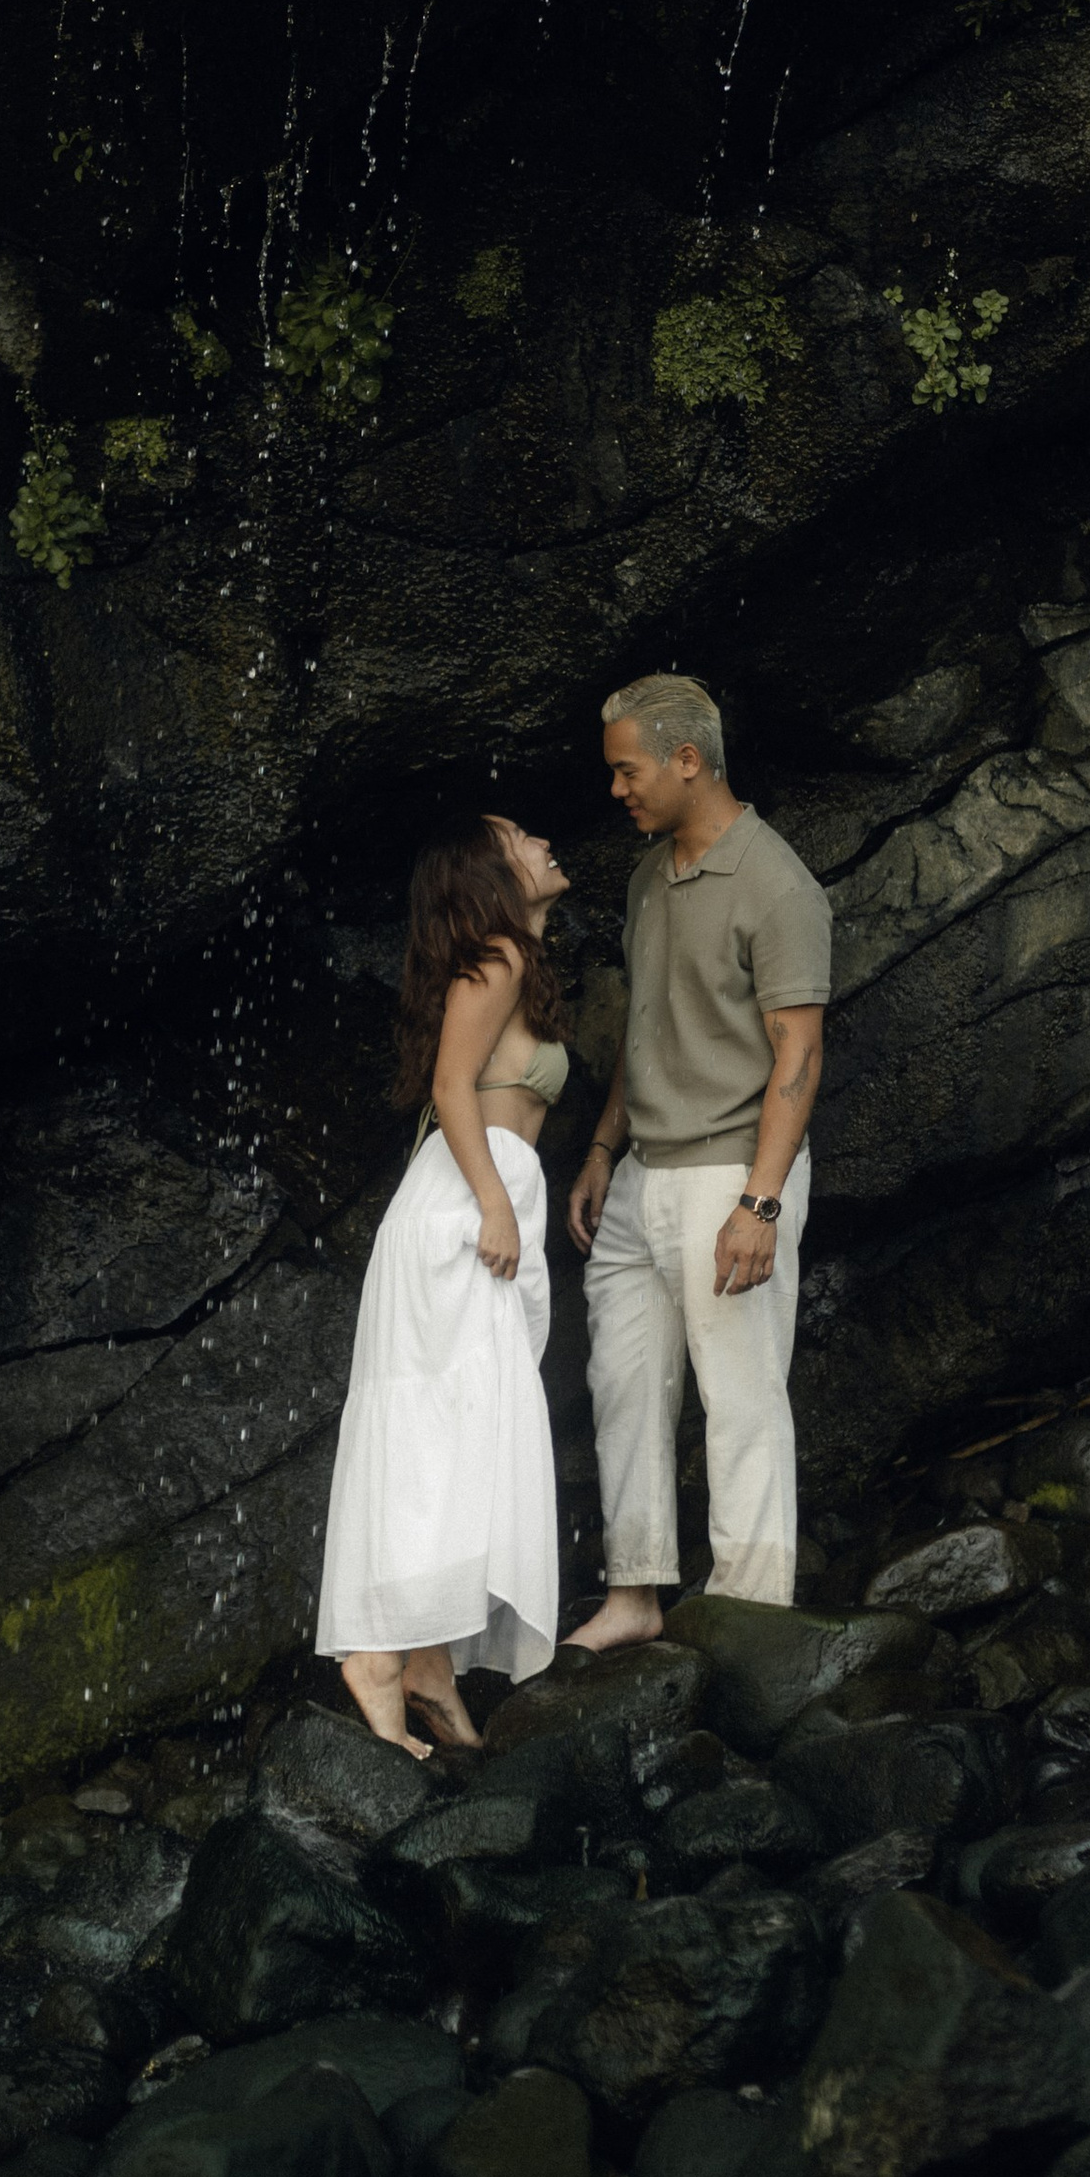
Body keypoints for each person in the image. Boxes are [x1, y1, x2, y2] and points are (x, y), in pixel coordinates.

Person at [565, 672, 829, 1642]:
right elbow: (647, 1033)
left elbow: (798, 1052)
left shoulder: (776, 883)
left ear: (687, 760)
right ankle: (634, 1597)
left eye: (627, 770)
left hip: (731, 1174)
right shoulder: (646, 879)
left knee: (741, 1399)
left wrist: (760, 1205)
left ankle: (749, 1620)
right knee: (624, 1390)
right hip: (640, 1181)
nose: (616, 790)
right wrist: (600, 1152)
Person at [317, 812, 571, 1755]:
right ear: (488, 874)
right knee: (439, 1433)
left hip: (479, 1199)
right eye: (517, 836)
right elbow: (452, 1082)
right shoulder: (497, 954)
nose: (543, 839)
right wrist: (495, 1204)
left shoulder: (517, 960)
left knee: (459, 1437)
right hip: (465, 1207)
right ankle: (377, 1658)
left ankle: (426, 1659)